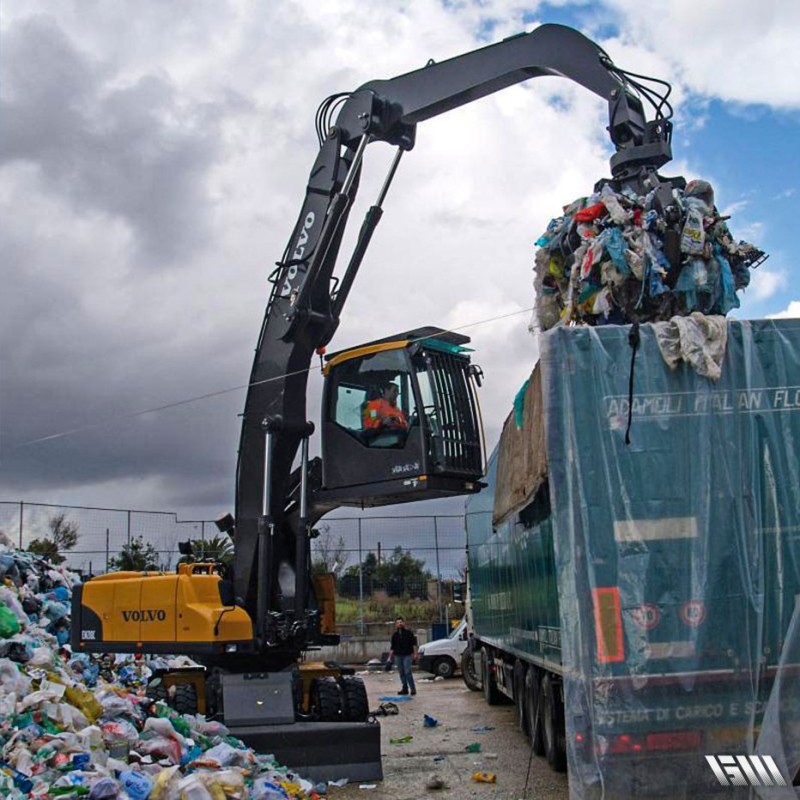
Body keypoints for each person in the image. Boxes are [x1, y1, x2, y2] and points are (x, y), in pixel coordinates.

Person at [387, 616, 418, 695]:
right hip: (398, 655)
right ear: (396, 625)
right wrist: (389, 658)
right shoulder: (395, 635)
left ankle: (413, 689)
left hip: (407, 655)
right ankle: (405, 688)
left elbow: (414, 644)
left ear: (404, 623)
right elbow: (392, 647)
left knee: (407, 672)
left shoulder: (409, 633)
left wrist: (415, 654)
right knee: (401, 672)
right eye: (398, 623)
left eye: (401, 622)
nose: (399, 624)